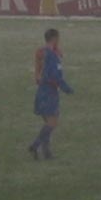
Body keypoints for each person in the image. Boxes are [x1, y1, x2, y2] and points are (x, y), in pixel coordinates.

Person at [28, 28, 74, 160]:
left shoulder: (42, 52)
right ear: (54, 38)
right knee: (52, 123)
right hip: (50, 91)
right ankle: (35, 145)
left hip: (42, 90)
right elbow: (55, 76)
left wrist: (38, 77)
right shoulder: (53, 55)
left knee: (49, 122)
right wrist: (66, 88)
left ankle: (46, 152)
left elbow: (38, 71)